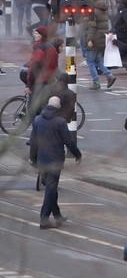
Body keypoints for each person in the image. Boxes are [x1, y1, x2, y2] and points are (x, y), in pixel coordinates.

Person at [28, 96, 82, 229]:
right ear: (58, 107)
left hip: (42, 159)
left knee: (51, 188)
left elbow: (33, 142)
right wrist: (77, 154)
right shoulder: (60, 122)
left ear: (47, 105)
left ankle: (57, 216)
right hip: (55, 160)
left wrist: (33, 158)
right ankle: (44, 219)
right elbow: (69, 142)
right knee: (51, 189)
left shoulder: (37, 119)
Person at [26, 25, 59, 119]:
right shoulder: (51, 47)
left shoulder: (39, 48)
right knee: (44, 105)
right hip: (49, 81)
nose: (34, 35)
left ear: (41, 35)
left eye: (36, 33)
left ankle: (35, 128)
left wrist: (29, 84)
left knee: (32, 107)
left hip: (38, 81)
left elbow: (34, 66)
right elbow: (55, 66)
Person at [84, 0, 117, 90]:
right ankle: (109, 75)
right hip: (102, 40)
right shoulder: (104, 12)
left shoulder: (93, 12)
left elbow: (91, 27)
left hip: (94, 40)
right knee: (98, 61)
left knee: (90, 62)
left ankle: (96, 82)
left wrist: (89, 39)